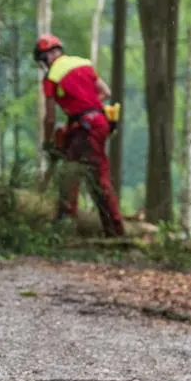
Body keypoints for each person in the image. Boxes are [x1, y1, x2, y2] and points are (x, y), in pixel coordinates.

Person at [34, 33, 126, 238]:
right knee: (72, 172)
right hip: (92, 123)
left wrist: (48, 142)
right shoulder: (82, 63)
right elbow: (105, 92)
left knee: (95, 179)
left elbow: (49, 118)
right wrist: (87, 106)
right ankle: (66, 224)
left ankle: (116, 233)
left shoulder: (51, 77)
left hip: (85, 127)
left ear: (46, 57)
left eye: (42, 61)